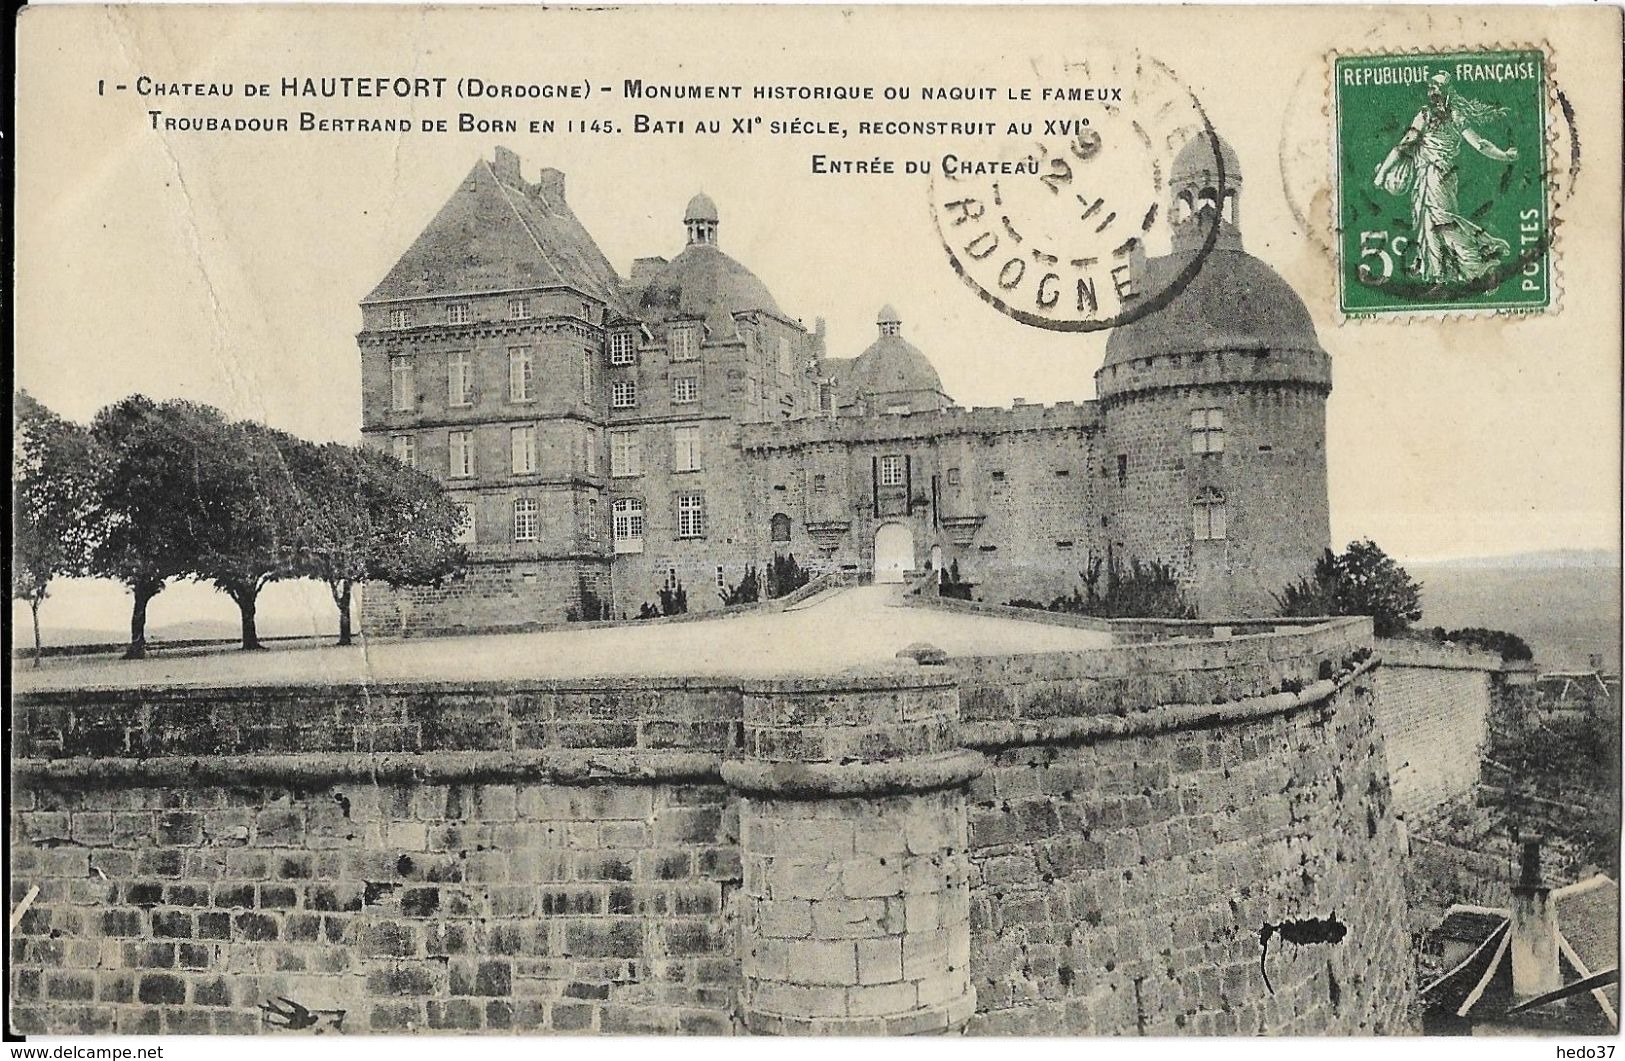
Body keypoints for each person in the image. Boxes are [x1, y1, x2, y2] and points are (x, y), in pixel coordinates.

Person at [1373, 72, 1519, 285]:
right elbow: (1405, 144)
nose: (1433, 93)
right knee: (1429, 223)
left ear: (1447, 91)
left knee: (1443, 223)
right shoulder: (1429, 115)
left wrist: (1503, 155)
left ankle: (1476, 262)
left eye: (1437, 89)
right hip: (1430, 176)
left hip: (1438, 176)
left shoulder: (1449, 116)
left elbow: (1479, 144)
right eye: (1431, 88)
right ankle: (1438, 274)